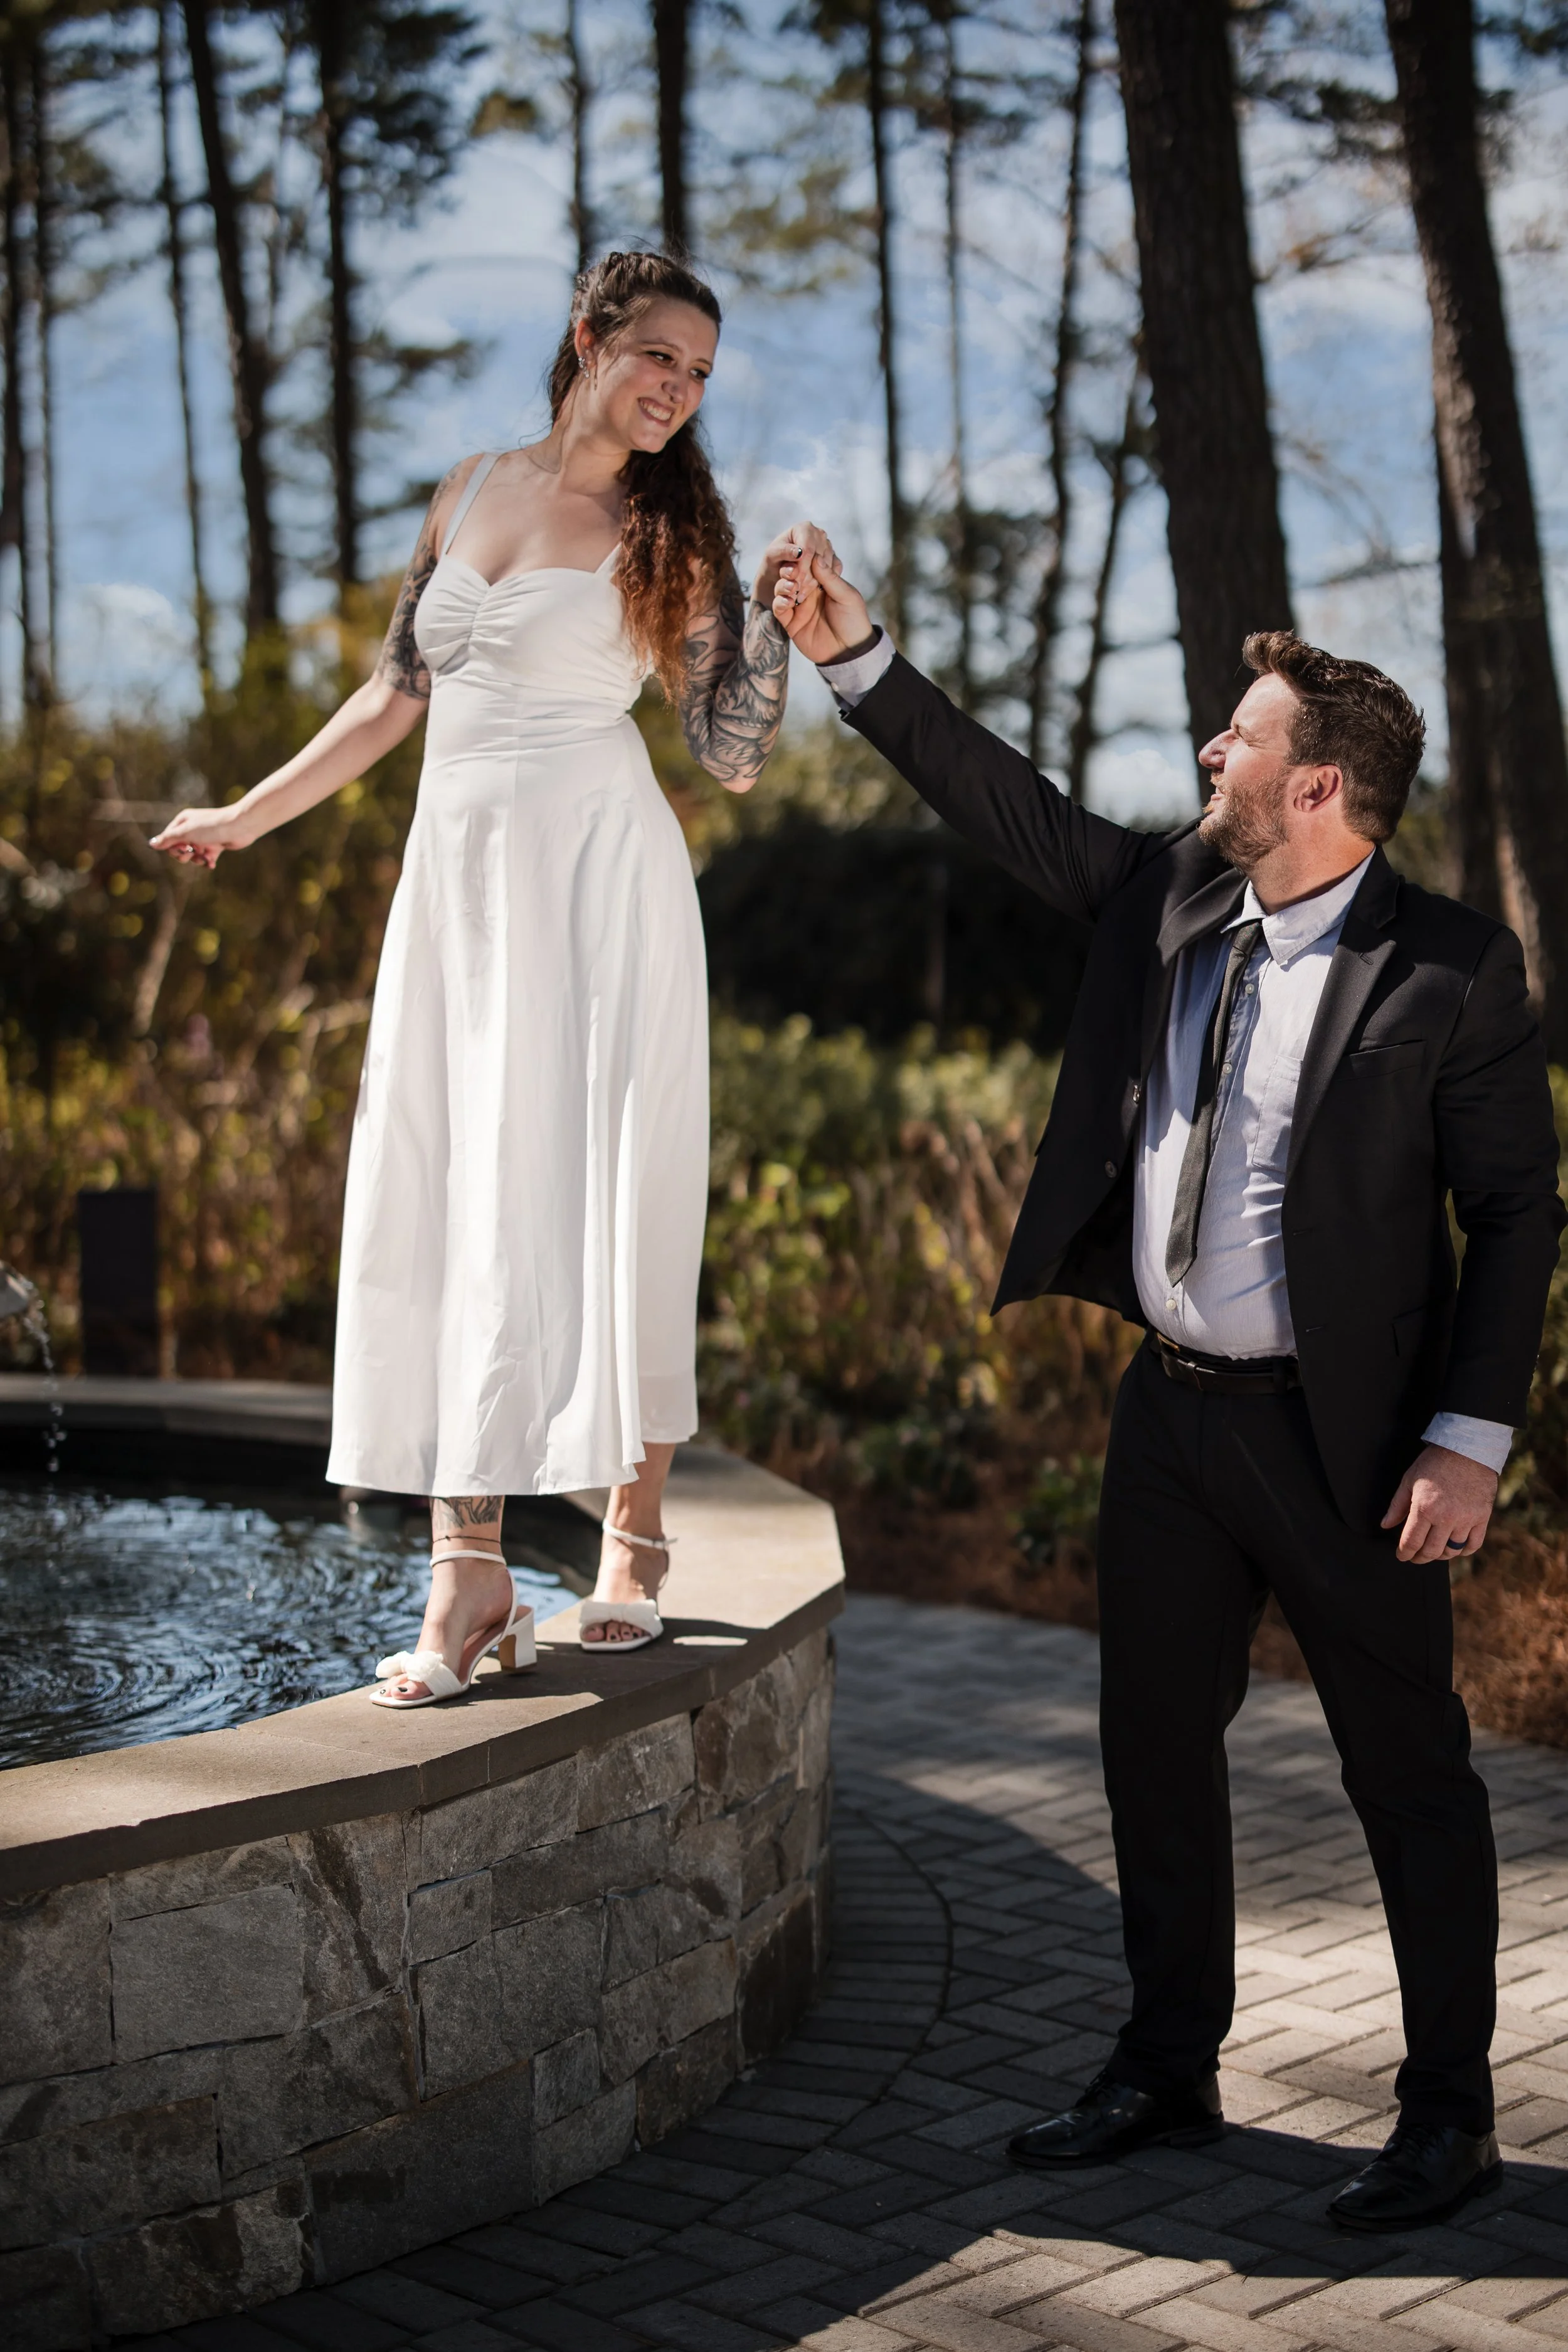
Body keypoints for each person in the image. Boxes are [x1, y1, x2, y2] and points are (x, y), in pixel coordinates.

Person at [771, 553, 1564, 2233]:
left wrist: (1466, 1435)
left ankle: (1446, 2116)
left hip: (1346, 1443)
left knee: (1405, 1771)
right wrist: (857, 662)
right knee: (1149, 1742)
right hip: (1170, 1416)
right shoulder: (1171, 902)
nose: (1209, 751)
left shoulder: (1448, 971)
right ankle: (1165, 2061)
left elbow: (1512, 1216)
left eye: (1237, 738)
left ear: (1318, 783)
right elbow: (1013, 808)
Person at [153, 250, 835, 1704]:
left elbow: (729, 749)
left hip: (597, 880)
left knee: (606, 1182)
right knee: (453, 1181)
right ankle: (466, 1569)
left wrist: (775, 625)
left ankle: (631, 1541)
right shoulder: (468, 485)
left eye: (701, 373)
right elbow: (396, 690)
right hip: (457, 891)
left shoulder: (669, 530)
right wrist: (246, 814)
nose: (678, 389)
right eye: (659, 353)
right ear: (587, 337)